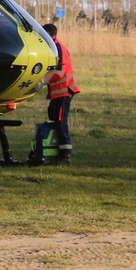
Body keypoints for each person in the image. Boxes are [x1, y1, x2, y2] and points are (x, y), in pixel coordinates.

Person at [40, 23, 80, 165]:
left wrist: (41, 81)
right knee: (54, 119)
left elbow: (59, 72)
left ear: (51, 36)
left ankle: (65, 155)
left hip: (64, 92)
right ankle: (55, 151)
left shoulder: (58, 48)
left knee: (60, 122)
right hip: (58, 93)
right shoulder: (53, 48)